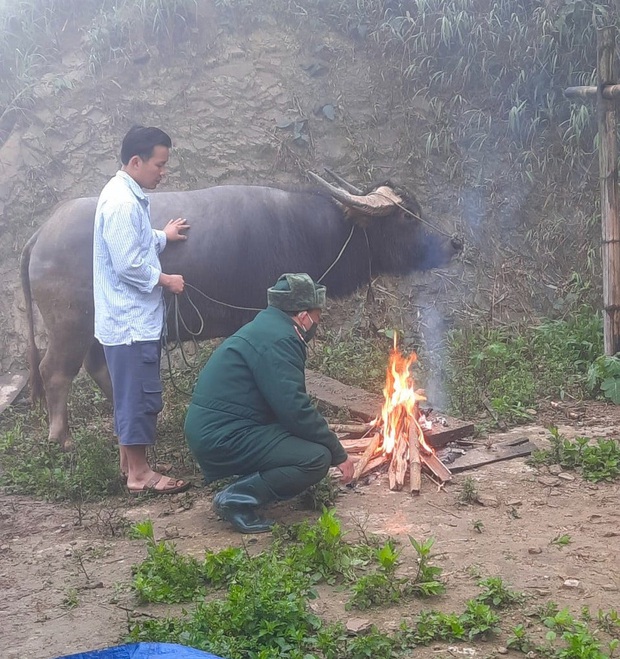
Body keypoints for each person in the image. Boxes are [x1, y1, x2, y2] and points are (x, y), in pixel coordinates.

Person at [184, 273, 356, 533]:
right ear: (302, 315)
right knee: (316, 458)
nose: (318, 322)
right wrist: (338, 452)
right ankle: (236, 499)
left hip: (220, 428)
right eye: (318, 315)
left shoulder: (268, 326)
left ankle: (250, 485)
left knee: (307, 444)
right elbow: (294, 409)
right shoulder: (281, 340)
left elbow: (284, 406)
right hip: (222, 436)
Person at [93, 125, 191, 494]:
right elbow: (128, 264)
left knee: (130, 393)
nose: (162, 172)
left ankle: (130, 463)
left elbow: (135, 239)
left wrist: (162, 236)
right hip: (130, 323)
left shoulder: (125, 194)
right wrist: (167, 280)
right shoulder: (121, 203)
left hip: (127, 321)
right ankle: (139, 475)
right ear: (136, 161)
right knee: (138, 396)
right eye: (158, 165)